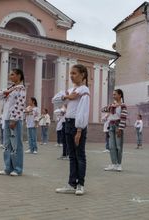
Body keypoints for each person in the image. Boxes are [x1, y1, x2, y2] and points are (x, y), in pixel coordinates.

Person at [55, 64, 90, 195]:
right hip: (68, 123)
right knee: (71, 156)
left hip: (77, 124)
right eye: (71, 73)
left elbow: (83, 111)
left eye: (74, 73)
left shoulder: (84, 90)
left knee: (79, 155)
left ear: (82, 75)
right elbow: (55, 101)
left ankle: (80, 184)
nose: (71, 76)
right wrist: (66, 97)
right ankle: (71, 184)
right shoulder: (70, 91)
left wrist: (80, 130)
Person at [0, 68, 26, 176]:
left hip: (14, 120)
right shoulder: (11, 88)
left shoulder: (21, 89)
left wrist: (14, 119)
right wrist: (7, 91)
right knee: (7, 144)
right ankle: (8, 167)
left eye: (12, 74)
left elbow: (20, 104)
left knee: (16, 144)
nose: (10, 76)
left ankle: (17, 169)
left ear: (19, 76)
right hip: (6, 118)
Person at [103, 89, 128, 172]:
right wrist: (112, 106)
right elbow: (103, 110)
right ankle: (113, 164)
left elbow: (123, 118)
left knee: (119, 146)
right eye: (113, 94)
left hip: (118, 126)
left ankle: (119, 164)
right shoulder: (112, 105)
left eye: (115, 94)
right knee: (111, 146)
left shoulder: (123, 105)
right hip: (111, 126)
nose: (113, 96)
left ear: (120, 95)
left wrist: (120, 129)